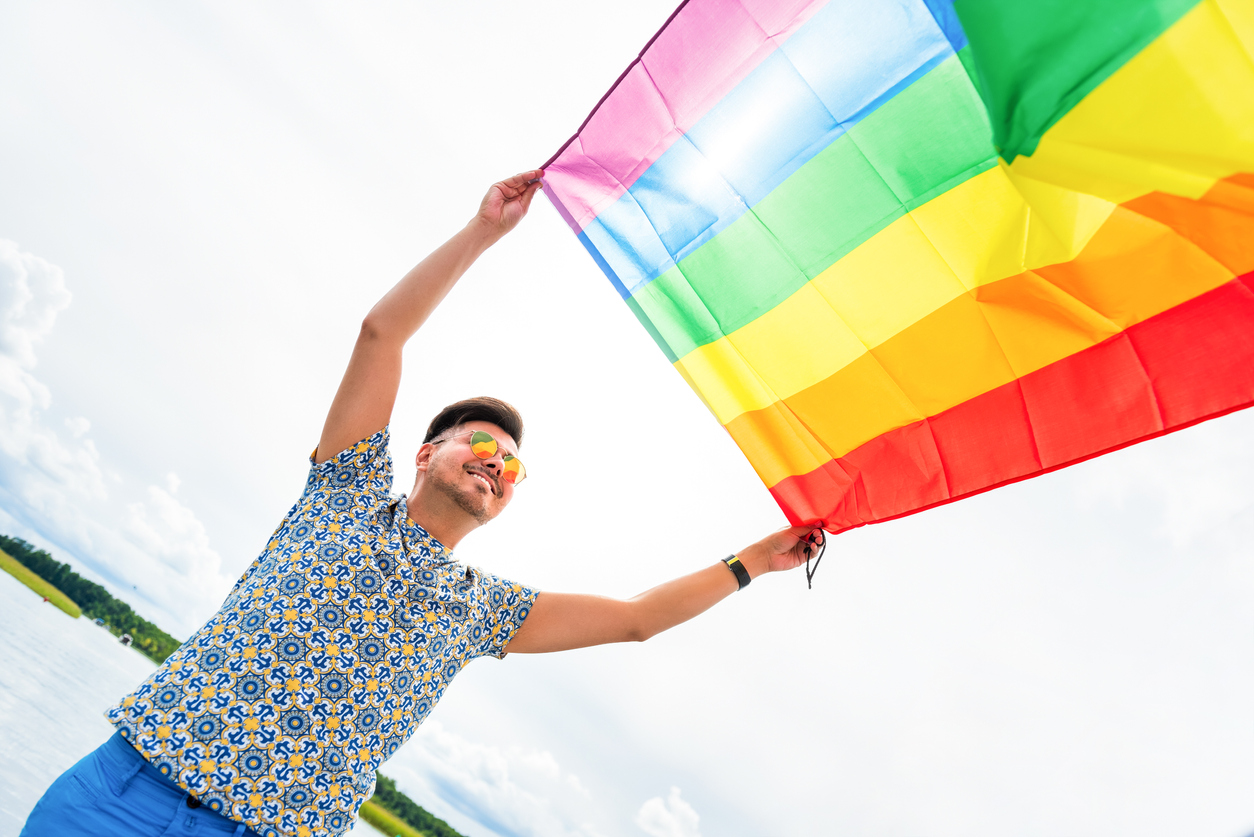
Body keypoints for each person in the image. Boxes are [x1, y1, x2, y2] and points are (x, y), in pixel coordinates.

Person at [21, 171, 823, 837]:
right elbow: (380, 334)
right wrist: (484, 231)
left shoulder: (481, 610)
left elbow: (637, 617)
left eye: (509, 465)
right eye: (479, 444)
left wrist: (755, 559)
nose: (494, 463)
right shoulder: (343, 492)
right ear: (424, 454)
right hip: (119, 794)